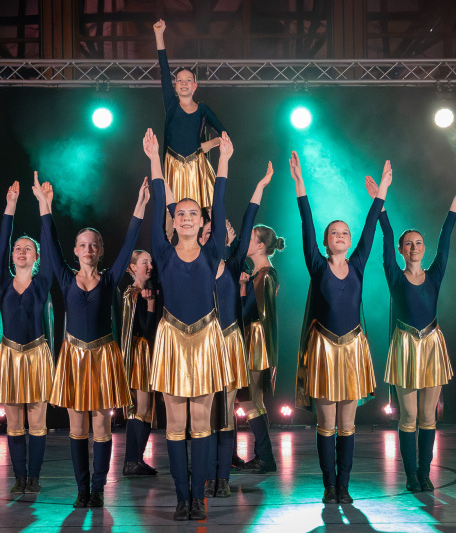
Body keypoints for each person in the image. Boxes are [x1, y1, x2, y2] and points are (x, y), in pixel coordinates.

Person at [290, 152, 392, 504]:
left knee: (347, 425)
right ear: (325, 241)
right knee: (327, 424)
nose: (340, 235)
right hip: (322, 349)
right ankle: (329, 484)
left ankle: (344, 485)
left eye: (345, 232)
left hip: (351, 349)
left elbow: (370, 228)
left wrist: (382, 192)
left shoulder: (358, 263)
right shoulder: (317, 265)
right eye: (334, 232)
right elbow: (306, 222)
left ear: (349, 241)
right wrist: (300, 184)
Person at [45, 176, 151, 508]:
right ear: (76, 250)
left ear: (100, 250)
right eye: (83, 245)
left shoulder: (109, 279)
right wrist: (45, 207)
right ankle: (82, 489)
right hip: (74, 357)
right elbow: (50, 244)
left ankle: (99, 488)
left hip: (104, 356)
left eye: (94, 245)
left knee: (102, 426)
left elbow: (129, 244)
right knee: (78, 426)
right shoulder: (65, 277)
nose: (88, 249)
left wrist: (140, 205)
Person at [143, 127, 232, 521]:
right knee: (176, 424)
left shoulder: (213, 252)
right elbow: (158, 200)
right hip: (172, 339)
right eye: (180, 213)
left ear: (202, 221)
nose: (186, 217)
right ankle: (182, 498)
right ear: (174, 221)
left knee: (202, 423)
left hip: (207, 337)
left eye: (193, 213)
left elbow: (221, 200)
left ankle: (199, 497)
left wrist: (223, 160)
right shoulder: (162, 252)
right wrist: (153, 160)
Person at [366, 173, 456, 492]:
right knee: (408, 416)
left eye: (418, 243)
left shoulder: (434, 274)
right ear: (401, 250)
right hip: (405, 346)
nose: (414, 247)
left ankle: (425, 473)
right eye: (408, 243)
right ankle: (411, 476)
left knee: (428, 417)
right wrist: (381, 202)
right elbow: (386, 236)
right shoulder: (394, 276)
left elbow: (446, 237)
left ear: (424, 249)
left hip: (432, 344)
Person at [200, 163, 273, 498]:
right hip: (201, 344)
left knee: (229, 410)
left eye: (215, 232)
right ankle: (207, 471)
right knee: (206, 411)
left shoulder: (233, 264)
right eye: (206, 233)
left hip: (230, 343)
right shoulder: (191, 265)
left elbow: (247, 217)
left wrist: (259, 187)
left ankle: (222, 476)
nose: (210, 236)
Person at [0, 173, 55, 494]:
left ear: (37, 257)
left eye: (28, 248)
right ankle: (19, 477)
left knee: (37, 422)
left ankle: (34, 477)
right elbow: (2, 244)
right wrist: (10, 207)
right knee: (14, 423)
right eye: (18, 248)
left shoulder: (42, 283)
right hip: (9, 356)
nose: (21, 251)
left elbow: (50, 243)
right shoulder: (3, 282)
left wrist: (45, 205)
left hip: (37, 354)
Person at [153, 19, 227, 209]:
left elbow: (225, 135)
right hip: (173, 166)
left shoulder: (203, 110)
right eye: (179, 80)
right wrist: (159, 35)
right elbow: (164, 70)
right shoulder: (171, 105)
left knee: (204, 212)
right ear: (175, 86)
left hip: (197, 167)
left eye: (188, 80)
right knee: (171, 213)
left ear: (195, 85)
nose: (184, 83)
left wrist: (209, 144)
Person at [237, 219, 284, 473]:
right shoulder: (261, 274)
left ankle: (265, 456)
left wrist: (242, 288)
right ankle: (263, 456)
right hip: (253, 340)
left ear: (261, 246)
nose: (246, 241)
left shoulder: (264, 275)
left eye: (251, 238)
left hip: (255, 343)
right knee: (254, 400)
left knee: (248, 400)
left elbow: (250, 313)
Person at [120, 250, 160, 477]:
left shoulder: (143, 292)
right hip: (139, 355)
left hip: (145, 354)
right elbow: (145, 329)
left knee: (145, 410)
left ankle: (135, 459)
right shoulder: (133, 295)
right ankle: (131, 460)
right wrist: (151, 304)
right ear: (133, 267)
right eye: (145, 262)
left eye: (150, 262)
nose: (150, 266)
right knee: (140, 410)